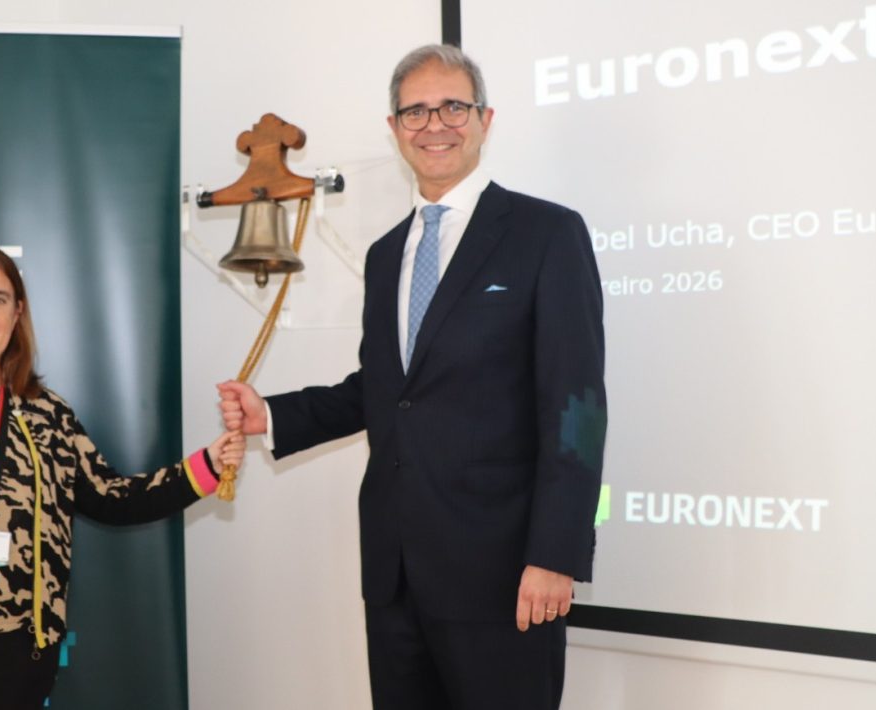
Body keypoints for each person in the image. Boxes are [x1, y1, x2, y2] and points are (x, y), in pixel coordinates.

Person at [218, 44, 606, 709]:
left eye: (452, 106)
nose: (435, 124)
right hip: (394, 575)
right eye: (416, 111)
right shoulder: (385, 254)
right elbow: (386, 390)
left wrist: (556, 553)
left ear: (484, 119)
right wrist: (272, 415)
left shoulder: (546, 233)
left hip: (505, 574)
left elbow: (576, 408)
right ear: (394, 128)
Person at [0, 243, 243, 709]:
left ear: (18, 312)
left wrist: (207, 467)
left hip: (22, 653)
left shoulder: (48, 414)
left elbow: (113, 498)